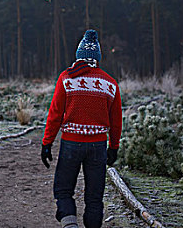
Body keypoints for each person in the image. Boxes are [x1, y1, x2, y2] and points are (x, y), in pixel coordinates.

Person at [41, 29, 122, 228]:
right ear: (98, 57)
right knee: (94, 198)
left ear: (79, 55)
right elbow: (116, 121)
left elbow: (55, 114)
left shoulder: (67, 78)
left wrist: (47, 143)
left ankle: (70, 225)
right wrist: (113, 147)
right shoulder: (110, 84)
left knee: (63, 190)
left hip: (71, 144)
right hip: (98, 146)